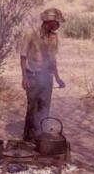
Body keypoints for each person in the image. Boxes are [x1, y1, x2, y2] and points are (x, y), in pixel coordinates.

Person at [20, 8, 66, 141]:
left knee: (45, 108)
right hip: (32, 77)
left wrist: (57, 78)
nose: (58, 25)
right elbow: (23, 57)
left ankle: (40, 138)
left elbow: (52, 59)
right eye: (57, 22)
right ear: (48, 21)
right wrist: (24, 78)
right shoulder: (30, 34)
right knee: (32, 108)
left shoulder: (53, 37)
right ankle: (28, 139)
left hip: (47, 77)